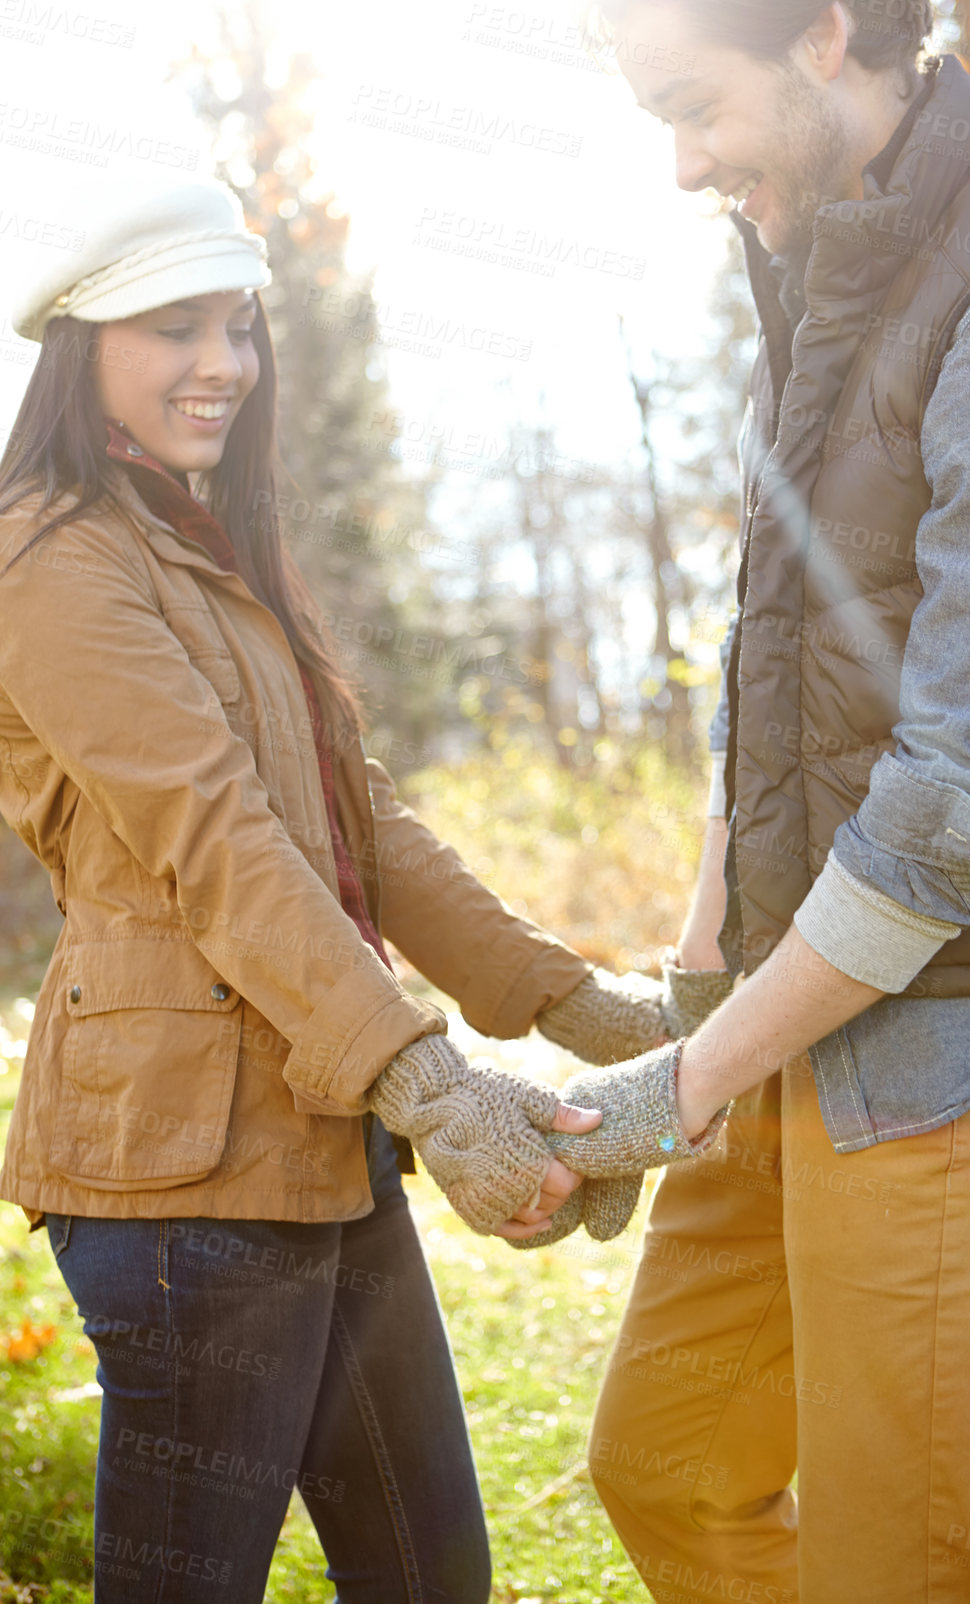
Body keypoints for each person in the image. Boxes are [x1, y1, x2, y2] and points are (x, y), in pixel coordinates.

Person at [523, 0, 970, 1601]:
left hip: (948, 1054)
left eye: (692, 108)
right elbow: (771, 683)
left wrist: (681, 1086)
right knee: (665, 1471)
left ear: (824, 36)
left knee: (903, 1569)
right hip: (781, 1032)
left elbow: (960, 801)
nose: (681, 165)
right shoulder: (815, 291)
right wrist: (698, 996)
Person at [0, 173, 727, 1603]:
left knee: (427, 1578)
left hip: (324, 1134)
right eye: (173, 328)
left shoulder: (208, 547)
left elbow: (357, 817)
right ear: (87, 343)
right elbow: (214, 836)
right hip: (182, 1177)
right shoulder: (47, 560)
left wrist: (576, 1007)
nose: (221, 363)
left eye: (238, 325)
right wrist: (434, 1085)